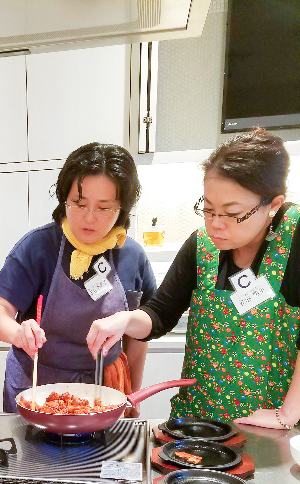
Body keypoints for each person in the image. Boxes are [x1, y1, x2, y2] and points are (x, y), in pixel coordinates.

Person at [87, 128, 300, 428]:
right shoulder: (201, 246)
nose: (216, 225)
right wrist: (125, 321)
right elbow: (160, 314)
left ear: (273, 205)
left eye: (232, 213)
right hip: (199, 421)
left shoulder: (294, 239)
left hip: (272, 422)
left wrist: (287, 414)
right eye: (209, 209)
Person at [0, 142, 156, 412]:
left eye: (104, 208)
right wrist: (18, 333)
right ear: (64, 198)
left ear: (122, 207)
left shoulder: (132, 256)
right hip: (37, 387)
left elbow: (139, 334)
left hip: (104, 391)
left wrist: (133, 394)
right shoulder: (38, 247)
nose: (89, 218)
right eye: (79, 203)